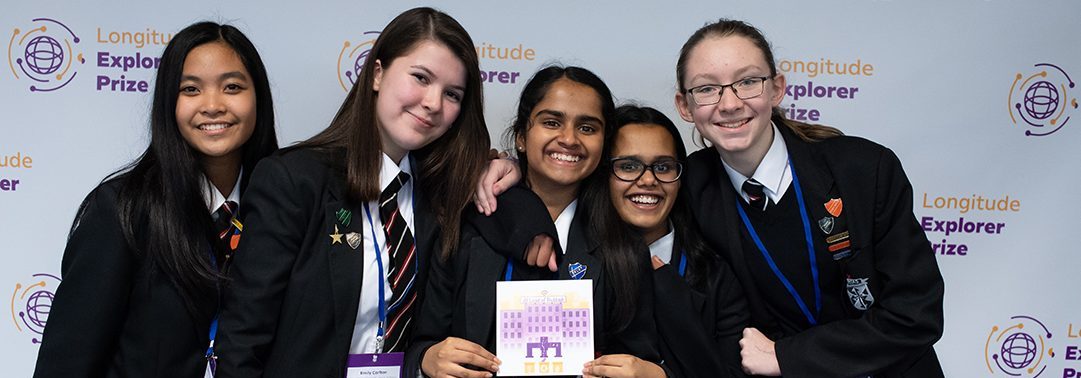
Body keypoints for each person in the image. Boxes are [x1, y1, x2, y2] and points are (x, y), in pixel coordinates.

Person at [213, 7, 491, 378]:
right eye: (421, 78)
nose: (433, 103)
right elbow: (242, 341)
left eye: (452, 94)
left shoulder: (440, 198)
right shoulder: (294, 181)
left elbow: (425, 337)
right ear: (377, 73)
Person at [674, 19, 945, 377]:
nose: (729, 103)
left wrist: (788, 357)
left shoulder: (864, 170)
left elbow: (916, 316)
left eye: (748, 82)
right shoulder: (687, 190)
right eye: (707, 89)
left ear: (777, 89)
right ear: (685, 106)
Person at [33, 21, 278, 377]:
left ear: (258, 97)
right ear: (168, 102)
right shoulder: (123, 211)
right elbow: (67, 363)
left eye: (232, 87)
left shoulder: (283, 210)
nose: (213, 105)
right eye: (191, 89)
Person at [407, 66, 665, 378]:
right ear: (520, 137)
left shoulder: (624, 248)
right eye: (551, 122)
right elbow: (420, 342)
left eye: (587, 128)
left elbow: (642, 357)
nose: (568, 139)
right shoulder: (464, 227)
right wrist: (426, 359)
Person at [604, 105, 747, 377]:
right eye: (628, 166)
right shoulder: (578, 259)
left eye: (663, 167)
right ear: (604, 175)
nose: (648, 180)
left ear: (680, 180)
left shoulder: (717, 275)